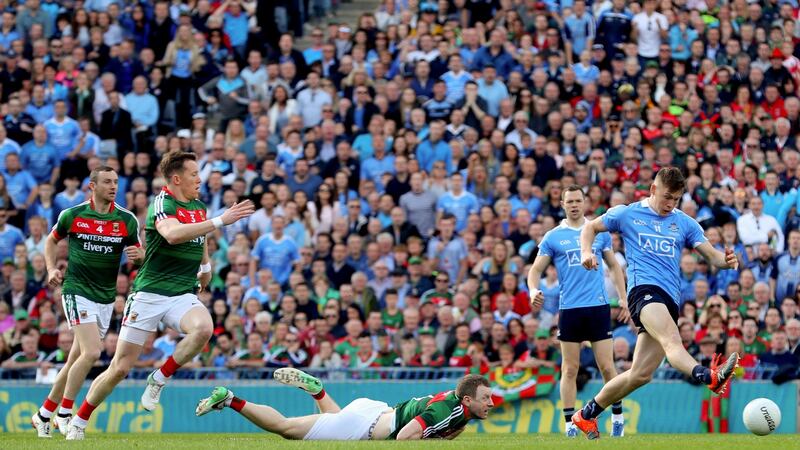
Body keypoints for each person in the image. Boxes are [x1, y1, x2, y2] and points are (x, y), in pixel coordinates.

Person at [66, 152, 254, 440]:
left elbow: (199, 242)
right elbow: (173, 234)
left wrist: (205, 268)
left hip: (181, 292)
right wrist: (221, 220)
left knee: (204, 328)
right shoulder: (162, 203)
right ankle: (79, 420)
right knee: (119, 369)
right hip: (149, 294)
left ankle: (160, 377)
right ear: (176, 179)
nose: (199, 179)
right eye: (194, 174)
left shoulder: (198, 206)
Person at [572, 167, 740, 439]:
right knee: (672, 339)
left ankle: (586, 414)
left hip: (669, 299)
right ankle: (707, 376)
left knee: (640, 375)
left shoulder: (684, 222)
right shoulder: (627, 213)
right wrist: (585, 252)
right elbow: (590, 227)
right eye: (666, 197)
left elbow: (713, 256)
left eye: (675, 199)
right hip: (643, 292)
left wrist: (726, 260)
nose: (670, 204)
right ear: (653, 189)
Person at [31, 166, 144, 438]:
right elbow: (51, 240)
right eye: (106, 182)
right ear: (92, 186)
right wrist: (50, 269)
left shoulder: (126, 220)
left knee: (75, 362)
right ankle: (66, 414)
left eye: (116, 182)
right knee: (93, 352)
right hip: (77, 289)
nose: (113, 186)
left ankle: (43, 414)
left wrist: (138, 256)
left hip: (105, 297)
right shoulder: (74, 214)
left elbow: (139, 255)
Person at [527, 185, 629, 437]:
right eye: (569, 201)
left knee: (607, 366)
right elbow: (535, 271)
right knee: (569, 369)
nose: (573, 204)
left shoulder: (598, 232)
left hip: (598, 307)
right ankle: (570, 424)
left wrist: (624, 298)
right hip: (570, 309)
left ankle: (617, 416)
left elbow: (615, 267)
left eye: (577, 200)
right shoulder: (553, 237)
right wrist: (532, 290)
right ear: (562, 204)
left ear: (585, 203)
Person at [195, 368, 492, 440]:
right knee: (285, 428)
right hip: (369, 424)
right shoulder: (448, 410)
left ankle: (319, 393)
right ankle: (231, 399)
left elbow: (444, 433)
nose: (490, 403)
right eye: (486, 398)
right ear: (467, 399)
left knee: (334, 420)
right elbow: (404, 438)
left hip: (373, 410)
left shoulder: (459, 409)